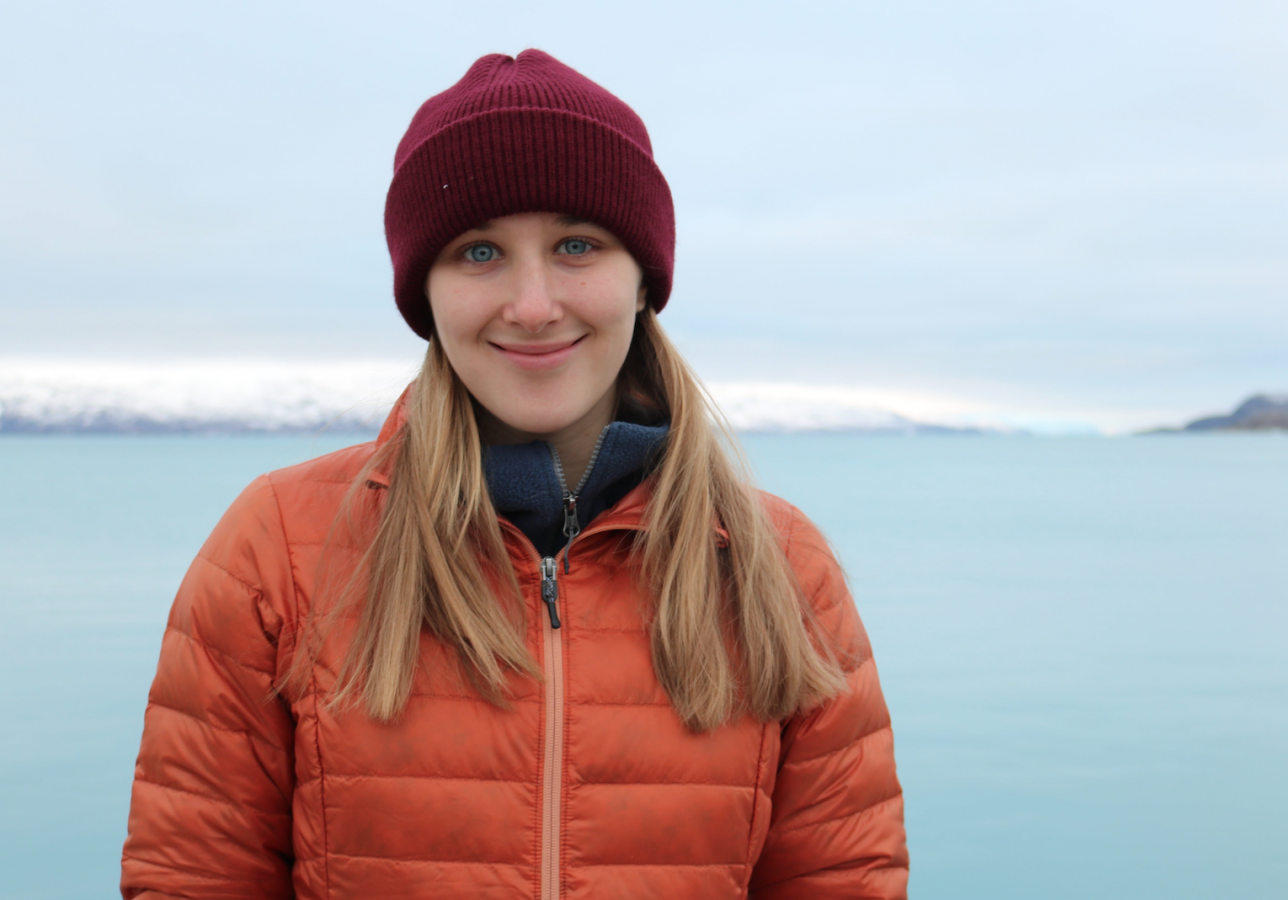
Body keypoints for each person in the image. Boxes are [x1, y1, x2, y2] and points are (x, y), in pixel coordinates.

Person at [120, 49, 908, 899]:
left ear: (644, 280)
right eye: (479, 252)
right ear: (426, 293)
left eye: (578, 244)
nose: (532, 306)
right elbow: (193, 878)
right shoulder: (279, 548)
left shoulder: (778, 567)